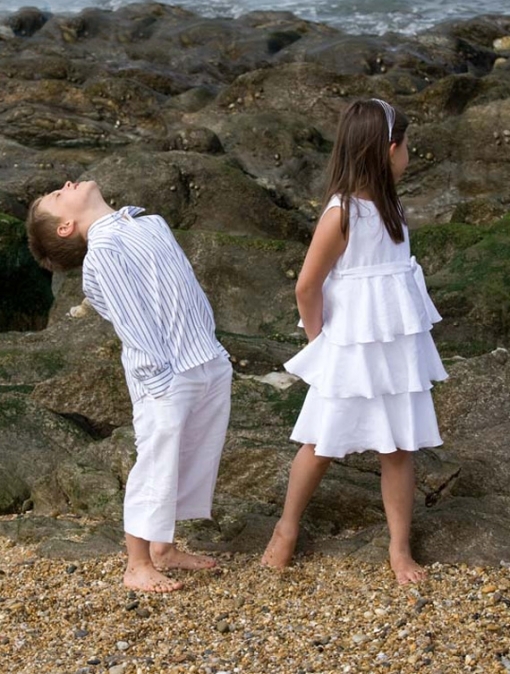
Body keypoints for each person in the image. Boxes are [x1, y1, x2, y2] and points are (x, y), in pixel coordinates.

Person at [261, 99, 448, 584]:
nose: (409, 156)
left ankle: (399, 547)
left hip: (395, 352)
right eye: (407, 147)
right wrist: (318, 339)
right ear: (390, 150)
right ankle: (287, 527)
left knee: (400, 448)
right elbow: (307, 286)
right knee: (320, 442)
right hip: (348, 350)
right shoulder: (340, 215)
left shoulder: (393, 211)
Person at [26, 181, 233, 593]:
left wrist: (212, 348)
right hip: (165, 373)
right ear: (66, 226)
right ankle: (137, 562)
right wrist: (160, 381)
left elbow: (182, 285)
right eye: (56, 195)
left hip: (203, 354)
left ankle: (163, 547)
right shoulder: (104, 252)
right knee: (156, 459)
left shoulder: (146, 222)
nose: (66, 184)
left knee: (195, 450)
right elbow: (132, 320)